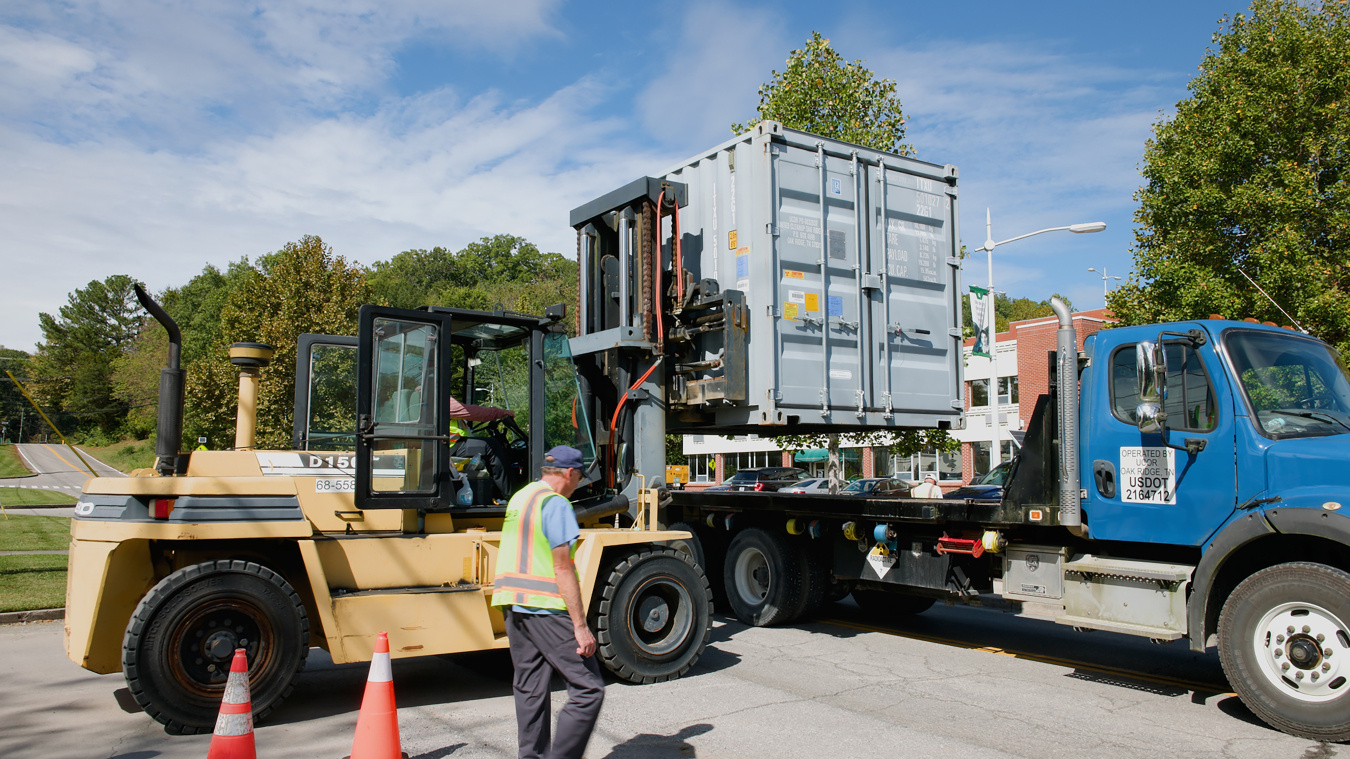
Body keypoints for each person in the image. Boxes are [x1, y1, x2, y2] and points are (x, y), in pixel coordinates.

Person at [492, 445, 603, 759]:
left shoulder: (522, 497)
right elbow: (562, 566)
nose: (576, 484)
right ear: (569, 473)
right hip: (545, 606)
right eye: (579, 477)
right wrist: (580, 626)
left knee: (529, 687)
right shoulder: (555, 505)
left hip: (513, 604)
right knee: (588, 689)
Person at [449, 394, 514, 501]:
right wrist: (500, 413)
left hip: (452, 446)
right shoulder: (439, 398)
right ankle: (509, 496)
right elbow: (472, 412)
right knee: (492, 446)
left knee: (486, 444)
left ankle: (496, 494)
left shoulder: (430, 398)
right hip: (452, 447)